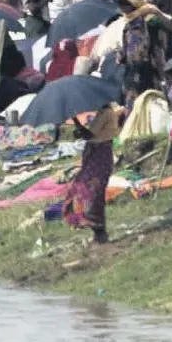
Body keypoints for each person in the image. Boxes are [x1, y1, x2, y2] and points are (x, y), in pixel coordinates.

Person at [63, 103, 120, 244]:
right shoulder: (102, 113)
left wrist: (76, 121)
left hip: (100, 155)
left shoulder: (106, 113)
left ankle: (99, 231)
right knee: (85, 189)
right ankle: (98, 232)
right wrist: (79, 128)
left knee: (91, 191)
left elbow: (90, 134)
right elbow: (90, 135)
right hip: (96, 154)